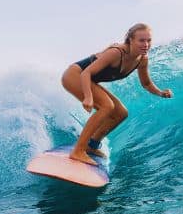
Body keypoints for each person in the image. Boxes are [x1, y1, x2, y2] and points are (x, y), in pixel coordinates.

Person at [61, 23, 173, 165]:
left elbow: (146, 84)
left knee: (121, 113)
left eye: (148, 40)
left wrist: (161, 93)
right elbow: (86, 73)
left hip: (88, 79)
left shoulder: (142, 59)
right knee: (107, 106)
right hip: (75, 75)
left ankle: (91, 145)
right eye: (141, 40)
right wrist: (88, 97)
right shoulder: (116, 53)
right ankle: (78, 151)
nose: (146, 44)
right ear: (131, 40)